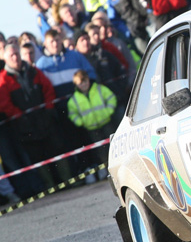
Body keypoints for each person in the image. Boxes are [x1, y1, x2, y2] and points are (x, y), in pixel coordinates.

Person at [0, 43, 71, 189]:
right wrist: (20, 116)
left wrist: (49, 108)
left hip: (45, 119)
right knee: (37, 158)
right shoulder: (4, 79)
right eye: (11, 55)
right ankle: (49, 187)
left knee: (57, 150)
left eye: (16, 54)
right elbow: (5, 103)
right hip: (24, 126)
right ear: (5, 58)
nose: (15, 58)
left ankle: (68, 181)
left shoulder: (33, 71)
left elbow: (48, 89)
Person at [67, 69, 117, 182]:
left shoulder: (99, 89)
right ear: (76, 85)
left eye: (85, 81)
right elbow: (72, 114)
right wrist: (81, 122)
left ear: (88, 80)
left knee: (114, 146)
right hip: (92, 129)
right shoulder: (74, 99)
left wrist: (108, 112)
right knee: (101, 151)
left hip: (106, 123)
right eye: (80, 83)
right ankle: (109, 172)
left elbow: (111, 98)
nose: (83, 85)